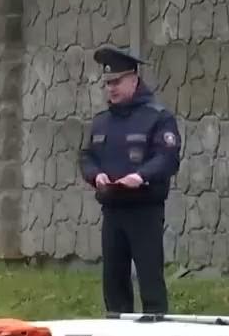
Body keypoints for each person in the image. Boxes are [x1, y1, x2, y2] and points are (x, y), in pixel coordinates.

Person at [78, 46, 183, 315]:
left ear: (134, 80)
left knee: (150, 280)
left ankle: (157, 332)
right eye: (107, 84)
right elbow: (87, 156)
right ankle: (117, 332)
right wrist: (95, 175)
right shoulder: (102, 122)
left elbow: (167, 158)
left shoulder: (157, 117)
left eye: (117, 82)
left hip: (144, 210)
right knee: (113, 283)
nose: (111, 88)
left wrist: (140, 176)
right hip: (113, 210)